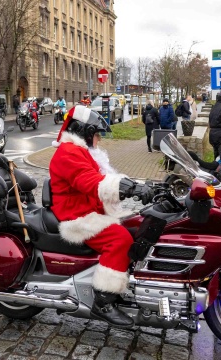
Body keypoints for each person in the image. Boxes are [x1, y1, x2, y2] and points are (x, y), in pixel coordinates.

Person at [49, 105, 155, 328]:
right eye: (96, 134)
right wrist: (130, 188)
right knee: (120, 240)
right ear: (83, 132)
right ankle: (103, 302)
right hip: (77, 215)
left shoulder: (80, 151)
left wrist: (141, 185)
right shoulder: (68, 152)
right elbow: (89, 181)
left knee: (140, 225)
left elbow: (104, 177)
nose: (98, 139)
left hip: (91, 208)